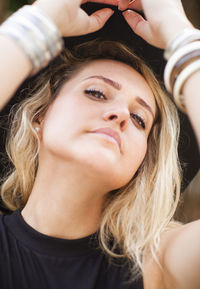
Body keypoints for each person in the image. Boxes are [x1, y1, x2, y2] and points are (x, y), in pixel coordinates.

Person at [0, 1, 199, 289]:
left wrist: (177, 31)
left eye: (139, 119)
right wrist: (44, 17)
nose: (120, 115)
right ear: (38, 115)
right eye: (96, 93)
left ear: (143, 161)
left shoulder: (160, 264)